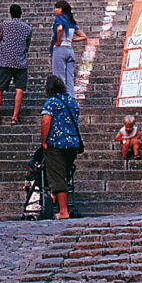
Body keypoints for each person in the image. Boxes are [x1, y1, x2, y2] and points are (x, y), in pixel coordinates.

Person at [40, 74, 83, 219]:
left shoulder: (51, 102)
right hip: (72, 143)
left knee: (58, 174)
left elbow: (46, 121)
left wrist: (44, 141)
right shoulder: (71, 101)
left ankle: (63, 210)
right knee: (63, 172)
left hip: (56, 142)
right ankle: (55, 195)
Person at [0, 3, 32, 125]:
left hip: (6, 60)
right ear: (21, 14)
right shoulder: (27, 28)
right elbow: (27, 45)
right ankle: (14, 117)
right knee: (19, 89)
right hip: (20, 61)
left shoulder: (5, 25)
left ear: (10, 14)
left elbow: (0, 39)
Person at [50, 0, 86, 96]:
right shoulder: (71, 22)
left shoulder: (59, 19)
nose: (55, 10)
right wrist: (72, 40)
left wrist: (58, 41)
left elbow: (59, 29)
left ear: (61, 9)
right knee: (69, 78)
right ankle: (71, 98)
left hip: (60, 49)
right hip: (70, 50)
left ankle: (61, 98)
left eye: (57, 8)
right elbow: (84, 36)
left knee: (59, 77)